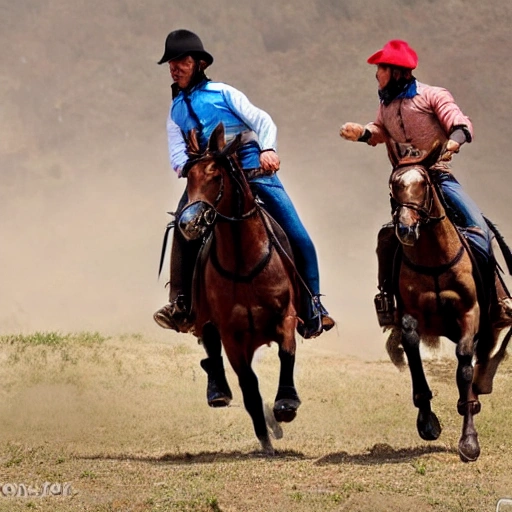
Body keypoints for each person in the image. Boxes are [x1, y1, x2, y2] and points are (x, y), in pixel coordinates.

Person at [153, 29, 335, 339]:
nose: (174, 67)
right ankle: (180, 304)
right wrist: (193, 165)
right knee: (183, 227)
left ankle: (313, 305)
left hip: (252, 173)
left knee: (297, 234)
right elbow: (176, 154)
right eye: (171, 63)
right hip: (208, 180)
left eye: (180, 61)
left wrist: (268, 149)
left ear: (198, 63)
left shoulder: (223, 93)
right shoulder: (175, 110)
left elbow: (262, 121)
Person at [339, 39, 512, 327]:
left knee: (478, 227)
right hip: (405, 184)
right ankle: (389, 302)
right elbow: (380, 129)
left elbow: (460, 123)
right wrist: (362, 133)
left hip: (438, 176)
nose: (376, 74)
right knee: (387, 239)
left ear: (396, 72)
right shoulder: (386, 104)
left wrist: (453, 143)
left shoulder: (433, 95)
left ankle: (499, 298)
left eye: (380, 68)